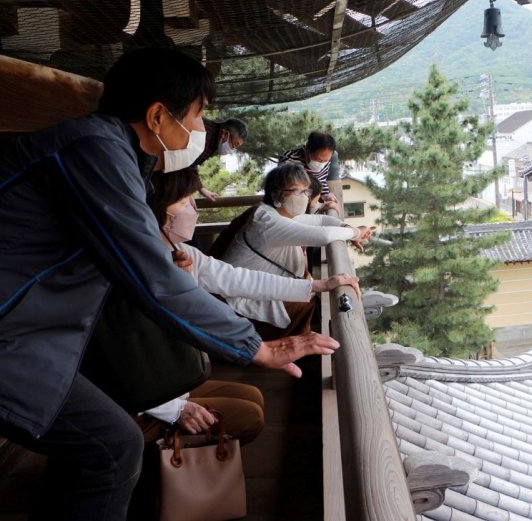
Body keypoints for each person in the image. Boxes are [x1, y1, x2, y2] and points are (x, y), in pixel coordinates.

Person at [0, 47, 338, 521]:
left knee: (94, 447)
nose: (202, 131)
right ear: (158, 116)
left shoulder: (109, 152)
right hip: (14, 333)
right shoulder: (93, 150)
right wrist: (255, 348)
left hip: (35, 334)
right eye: (198, 115)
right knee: (111, 447)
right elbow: (151, 275)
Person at [220, 162, 373, 336]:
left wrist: (348, 227)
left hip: (251, 289)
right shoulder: (267, 221)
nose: (304, 197)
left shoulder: (279, 214)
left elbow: (322, 221)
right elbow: (324, 236)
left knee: (306, 299)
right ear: (276, 195)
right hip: (237, 301)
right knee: (304, 303)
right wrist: (355, 232)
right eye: (296, 191)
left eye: (306, 191)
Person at [192, 116, 249, 199]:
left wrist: (200, 188)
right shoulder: (204, 135)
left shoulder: (213, 141)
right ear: (225, 134)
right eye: (234, 145)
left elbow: (192, 162)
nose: (233, 149)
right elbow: (183, 164)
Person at [278, 130, 338, 199]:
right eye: (318, 160)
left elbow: (321, 181)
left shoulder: (326, 158)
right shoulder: (289, 160)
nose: (321, 163)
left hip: (314, 200)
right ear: (307, 150)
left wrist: (326, 195)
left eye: (326, 161)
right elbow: (283, 189)